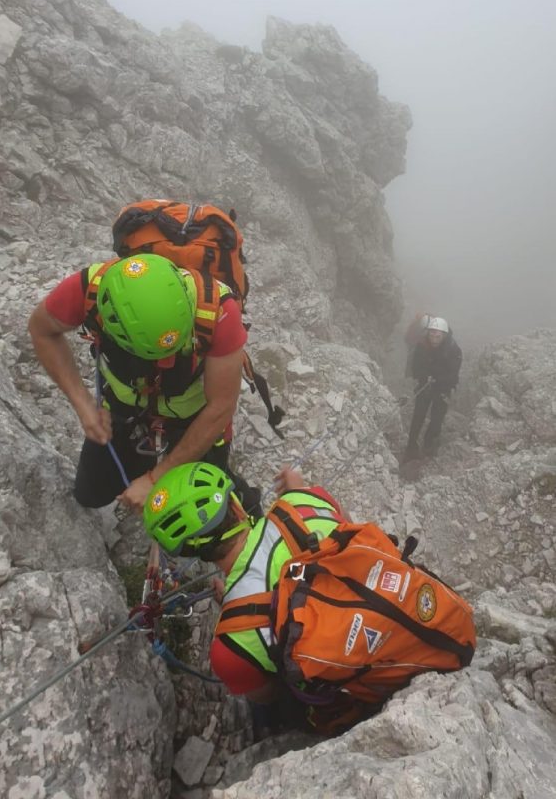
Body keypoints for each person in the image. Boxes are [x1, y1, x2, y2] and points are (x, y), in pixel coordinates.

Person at [28, 252, 261, 514]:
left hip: (195, 418)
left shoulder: (218, 310)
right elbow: (42, 330)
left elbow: (221, 406)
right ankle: (142, 465)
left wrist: (156, 478)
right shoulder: (89, 288)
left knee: (210, 514)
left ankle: (244, 503)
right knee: (91, 494)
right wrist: (84, 405)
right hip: (124, 407)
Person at [144, 461, 361, 734]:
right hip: (391, 618)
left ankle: (273, 734)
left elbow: (268, 693)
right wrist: (298, 492)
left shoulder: (229, 647)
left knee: (266, 702)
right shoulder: (308, 500)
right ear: (236, 505)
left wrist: (238, 610)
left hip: (342, 695)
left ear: (190, 553)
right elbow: (344, 531)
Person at [403, 316, 462, 461]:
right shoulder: (422, 346)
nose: (434, 338)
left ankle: (428, 444)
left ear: (444, 335)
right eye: (432, 334)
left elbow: (453, 375)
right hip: (426, 385)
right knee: (418, 416)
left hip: (442, 387)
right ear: (428, 333)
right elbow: (416, 367)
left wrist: (437, 380)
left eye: (438, 335)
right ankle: (411, 446)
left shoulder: (453, 350)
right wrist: (425, 378)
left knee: (437, 419)